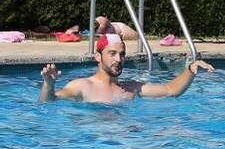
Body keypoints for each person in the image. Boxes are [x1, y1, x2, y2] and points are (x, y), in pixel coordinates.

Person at [39, 34, 214, 103]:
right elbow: (50, 101)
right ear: (98, 57)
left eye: (122, 54)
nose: (119, 59)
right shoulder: (82, 86)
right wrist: (48, 85)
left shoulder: (131, 88)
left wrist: (191, 69)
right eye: (112, 53)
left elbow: (171, 90)